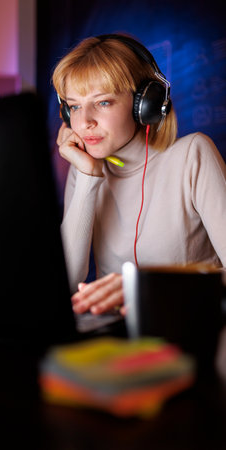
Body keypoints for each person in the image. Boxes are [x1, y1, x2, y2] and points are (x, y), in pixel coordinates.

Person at [52, 33, 226, 317]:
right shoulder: (84, 167)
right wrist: (87, 177)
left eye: (103, 102)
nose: (84, 122)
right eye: (73, 106)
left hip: (191, 334)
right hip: (118, 346)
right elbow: (66, 284)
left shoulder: (193, 155)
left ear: (145, 103)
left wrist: (146, 289)